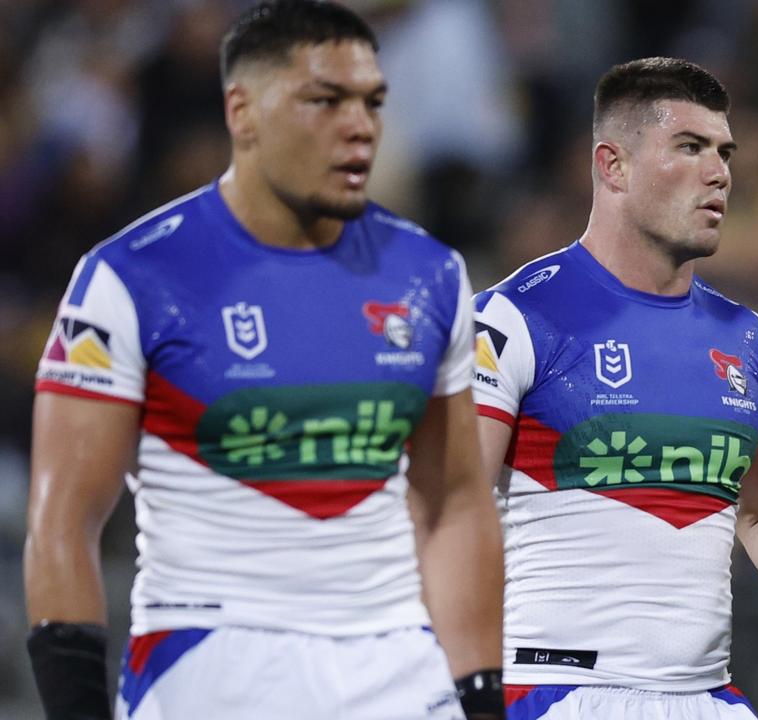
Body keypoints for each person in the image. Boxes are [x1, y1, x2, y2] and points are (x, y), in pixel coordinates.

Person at [24, 2, 504, 718]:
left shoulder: (428, 274)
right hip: (210, 660)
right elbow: (64, 520)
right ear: (242, 112)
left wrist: (481, 695)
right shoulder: (130, 277)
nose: (359, 125)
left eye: (372, 101)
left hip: (396, 662)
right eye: (324, 100)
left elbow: (456, 505)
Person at [470, 56, 758, 720]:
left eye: (724, 152)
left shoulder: (742, 335)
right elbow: (446, 505)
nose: (719, 172)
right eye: (689, 148)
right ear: (613, 165)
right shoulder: (516, 317)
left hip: (708, 698)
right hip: (556, 692)